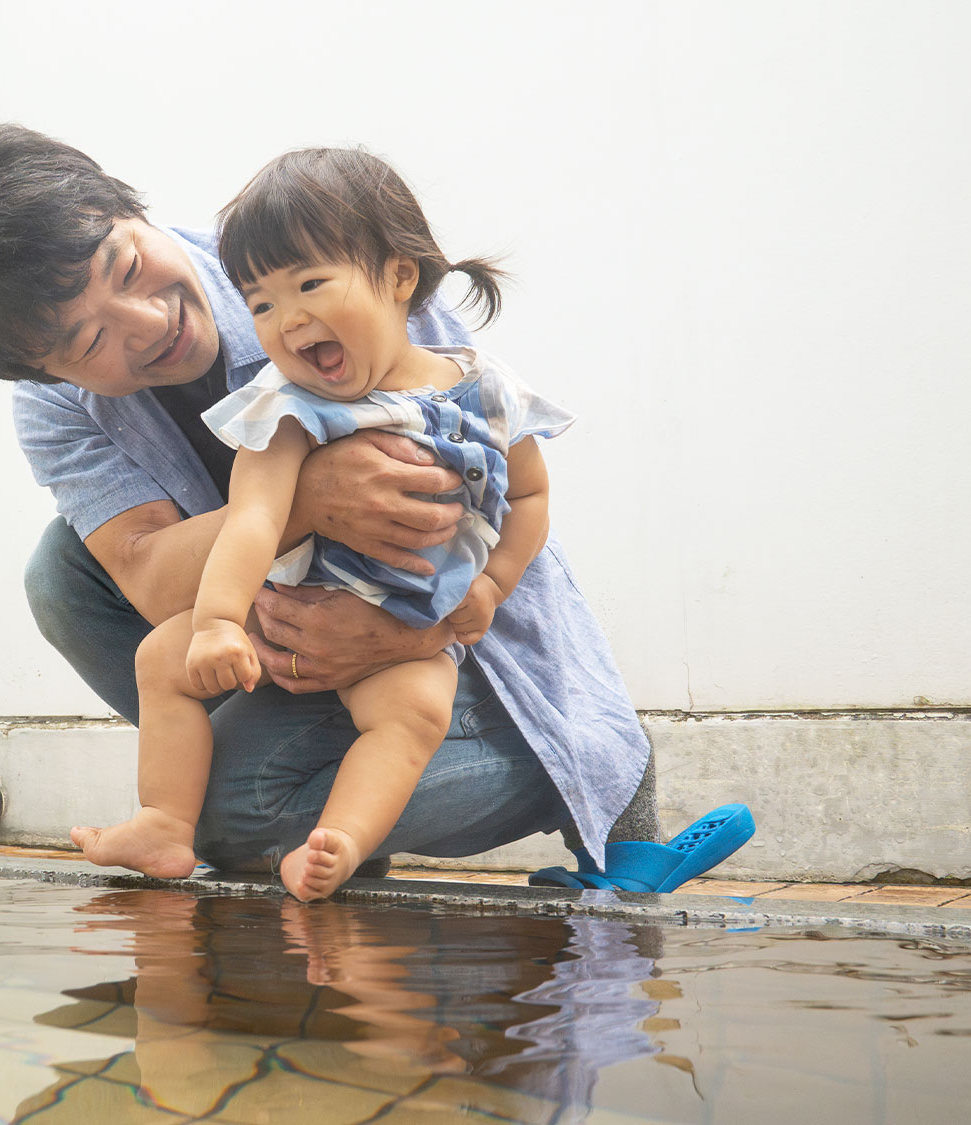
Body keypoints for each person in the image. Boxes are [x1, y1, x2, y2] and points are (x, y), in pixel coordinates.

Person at [0, 124, 668, 888]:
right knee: (65, 572)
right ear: (43, 372)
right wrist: (309, 496)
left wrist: (410, 632)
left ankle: (569, 761)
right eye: (87, 340)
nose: (146, 323)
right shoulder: (55, 408)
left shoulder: (318, 269)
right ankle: (222, 804)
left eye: (128, 266)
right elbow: (152, 580)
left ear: (135, 212)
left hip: (434, 622)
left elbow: (488, 511)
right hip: (278, 612)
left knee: (235, 819)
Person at [71, 147, 587, 900]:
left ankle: (340, 842)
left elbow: (532, 499)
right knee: (162, 659)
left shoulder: (488, 388)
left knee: (411, 714)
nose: (288, 320)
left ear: (399, 276)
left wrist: (492, 584)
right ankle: (164, 821)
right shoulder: (287, 408)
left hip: (410, 617)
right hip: (293, 611)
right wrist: (216, 621)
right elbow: (252, 518)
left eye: (311, 284)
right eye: (262, 304)